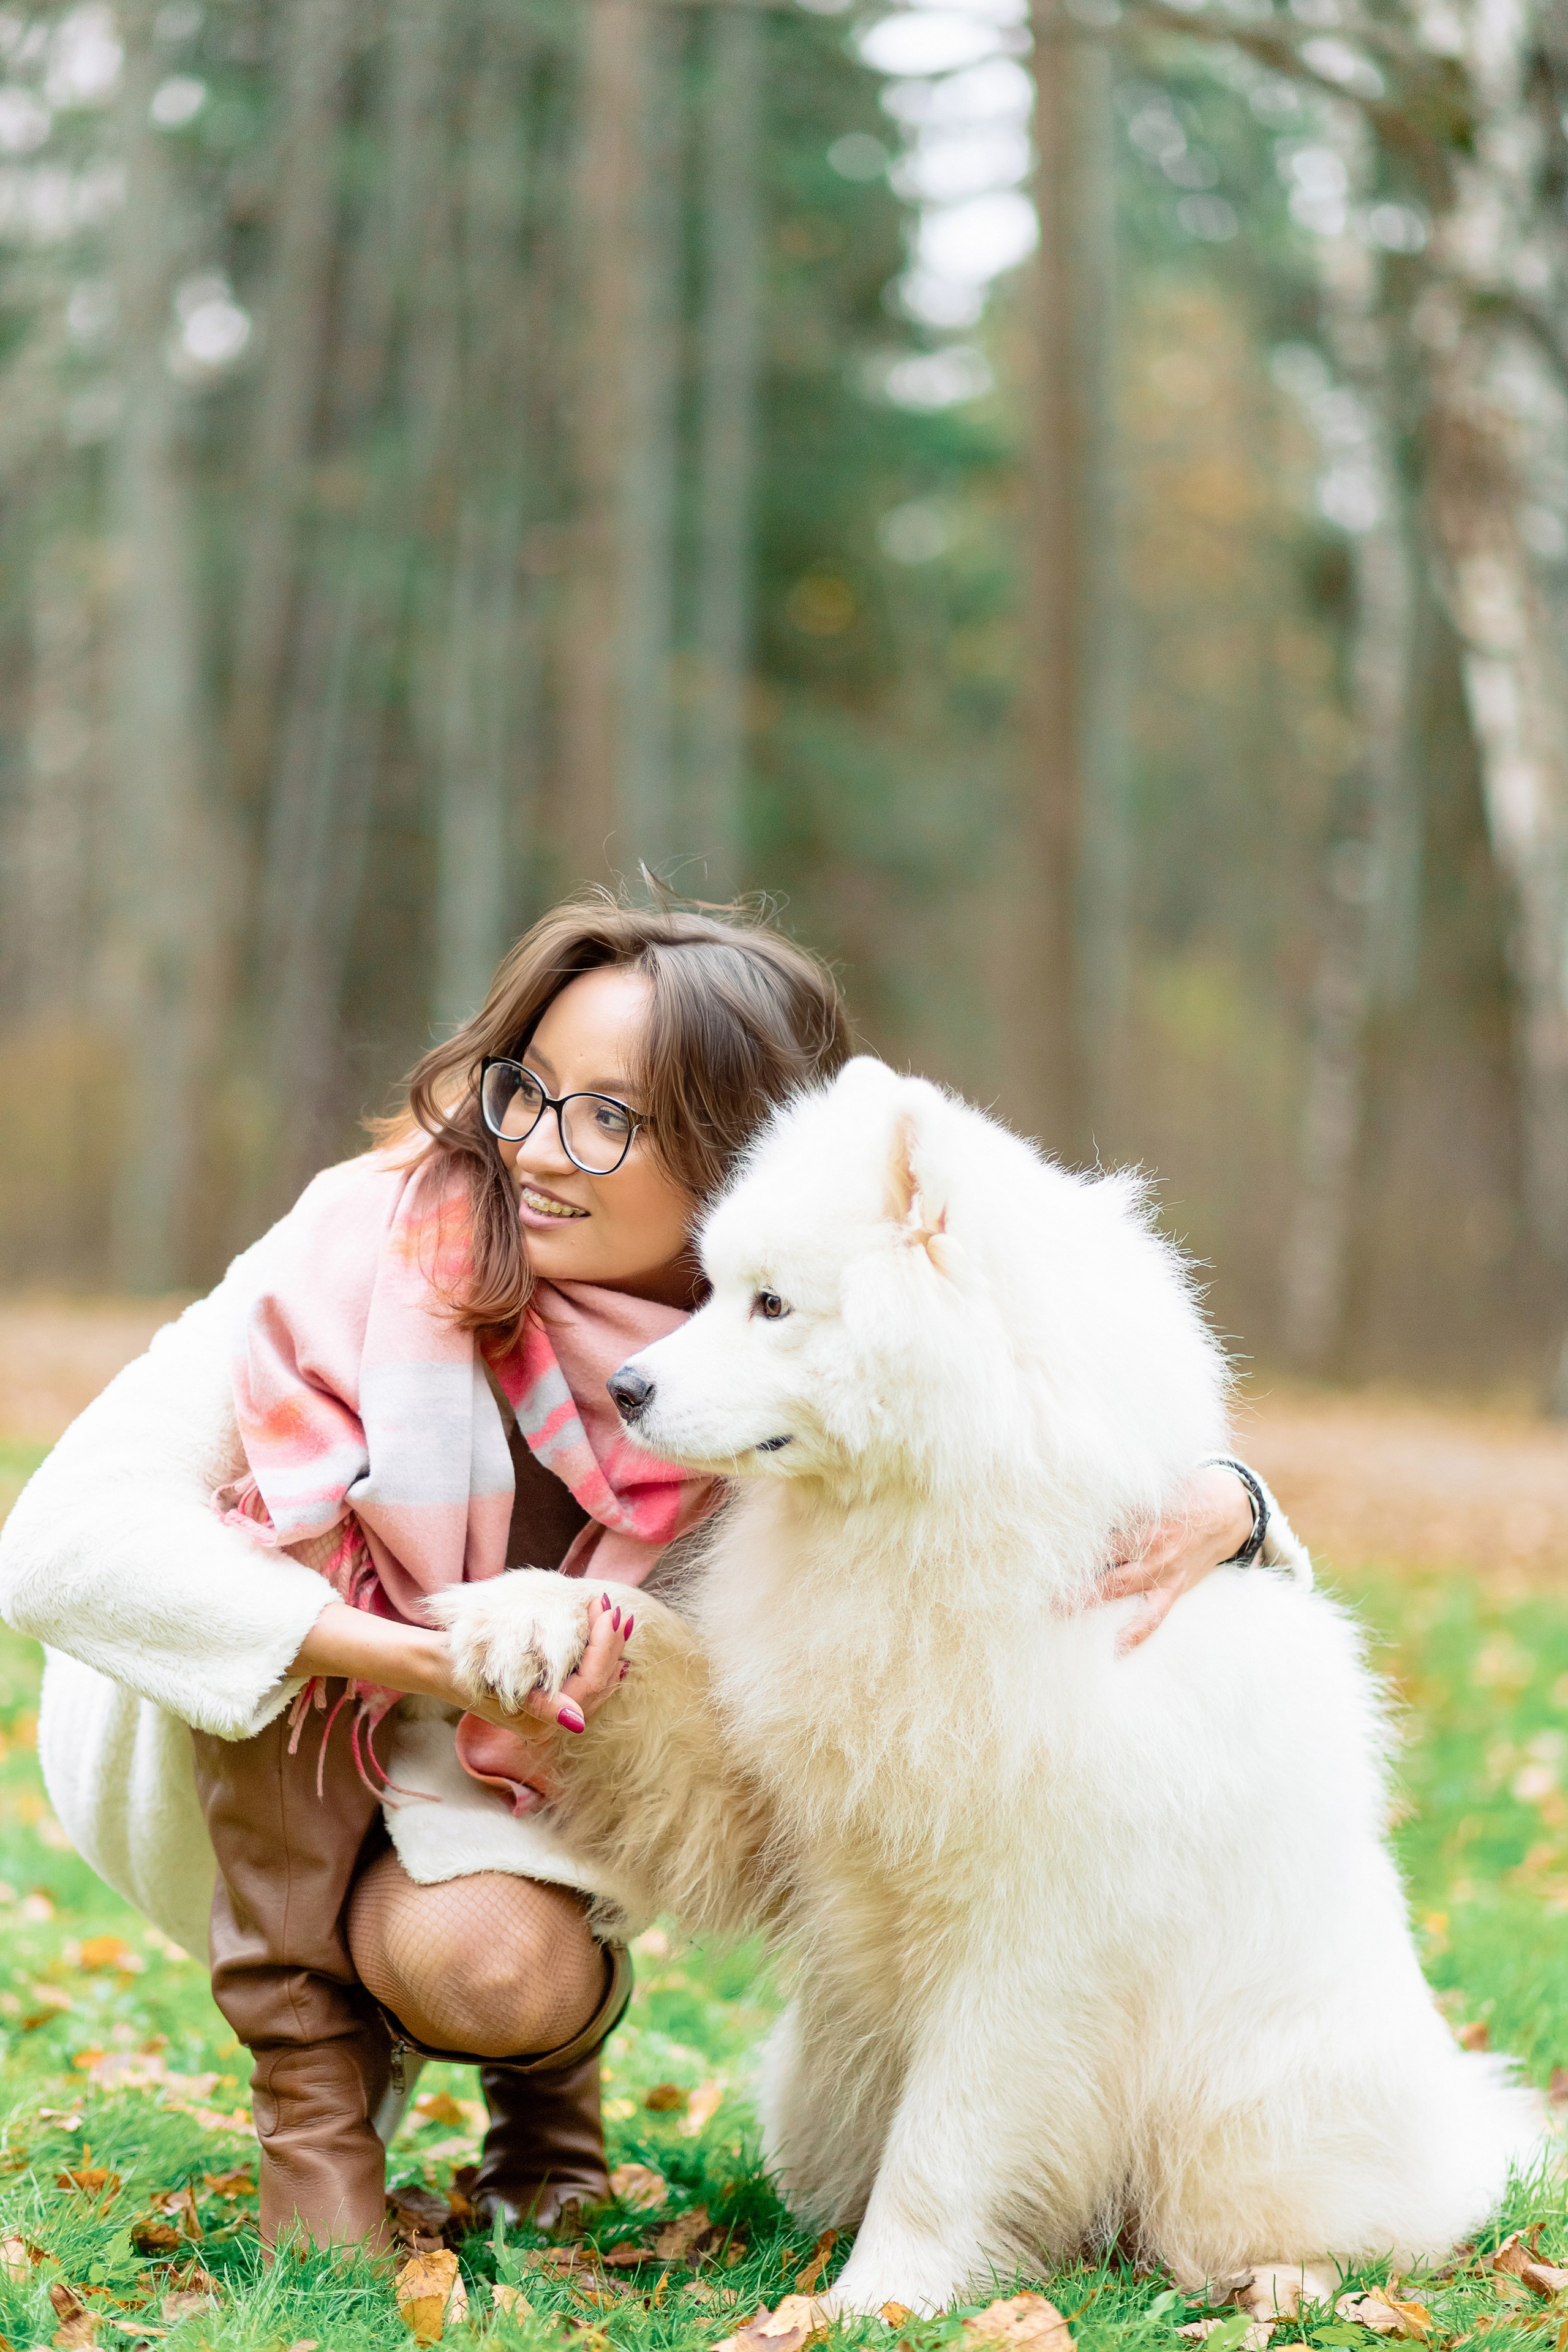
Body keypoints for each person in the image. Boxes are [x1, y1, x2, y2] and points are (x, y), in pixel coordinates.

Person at [0, 895, 1271, 2256]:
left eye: (607, 1118)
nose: (537, 1152)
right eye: (525, 1092)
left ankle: (543, 2089)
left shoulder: (805, 1346)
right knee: (269, 1602)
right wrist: (384, 1649)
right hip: (247, 1736)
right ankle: (310, 2095)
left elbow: (1020, 1426)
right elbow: (63, 1541)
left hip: (509, 1774)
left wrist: (1232, 1501)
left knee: (494, 1973)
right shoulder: (359, 1243)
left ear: (739, 1151)